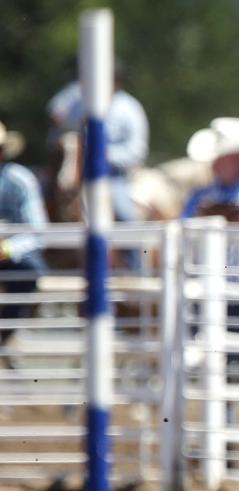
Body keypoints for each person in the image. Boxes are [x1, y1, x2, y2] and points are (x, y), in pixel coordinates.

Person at [46, 63, 150, 230]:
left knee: (126, 217)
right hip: (75, 171)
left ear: (117, 81)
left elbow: (137, 151)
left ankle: (135, 255)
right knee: (43, 200)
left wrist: (101, 155)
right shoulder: (78, 103)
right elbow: (57, 115)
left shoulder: (129, 108)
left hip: (112, 176)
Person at [0, 122, 49, 347]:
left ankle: (4, 334)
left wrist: (8, 248)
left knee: (31, 271)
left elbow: (37, 230)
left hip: (12, 254)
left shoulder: (19, 180)